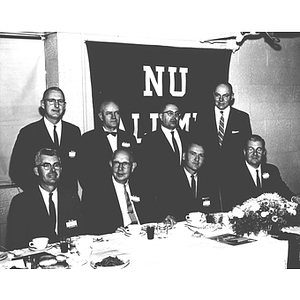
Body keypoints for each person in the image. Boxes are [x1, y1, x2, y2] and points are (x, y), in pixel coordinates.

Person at [9, 87, 81, 194]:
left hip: (68, 200)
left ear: (64, 106)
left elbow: (79, 168)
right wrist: (37, 193)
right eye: (51, 101)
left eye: (60, 101)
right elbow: (16, 170)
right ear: (43, 104)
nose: (56, 106)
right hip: (39, 201)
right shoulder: (28, 133)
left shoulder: (73, 132)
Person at [192, 82, 252, 211]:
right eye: (218, 95)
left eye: (225, 96)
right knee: (210, 213)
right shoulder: (203, 116)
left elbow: (246, 148)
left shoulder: (242, 118)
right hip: (208, 175)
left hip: (234, 176)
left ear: (232, 97)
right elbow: (197, 144)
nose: (221, 100)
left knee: (233, 213)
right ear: (213, 95)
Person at [6, 148, 82, 250]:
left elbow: (79, 234)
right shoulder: (21, 202)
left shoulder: (71, 197)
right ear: (37, 171)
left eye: (56, 165)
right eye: (46, 165)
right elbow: (14, 244)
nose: (52, 170)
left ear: (61, 170)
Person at [81, 148, 155, 235]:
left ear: (133, 167)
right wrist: (112, 231)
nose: (120, 168)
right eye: (116, 163)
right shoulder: (95, 191)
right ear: (110, 164)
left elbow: (153, 212)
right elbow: (89, 224)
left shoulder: (142, 185)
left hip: (142, 235)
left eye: (125, 163)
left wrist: (166, 217)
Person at [78, 99, 137, 192]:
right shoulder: (88, 139)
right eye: (109, 113)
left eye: (116, 113)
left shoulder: (129, 138)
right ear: (101, 116)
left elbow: (134, 169)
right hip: (99, 193)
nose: (114, 117)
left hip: (124, 192)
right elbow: (84, 174)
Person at [228, 134, 296, 211]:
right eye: (251, 149)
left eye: (259, 149)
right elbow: (232, 202)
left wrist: (294, 198)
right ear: (244, 152)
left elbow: (282, 190)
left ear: (264, 152)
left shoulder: (272, 170)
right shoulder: (233, 173)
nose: (255, 153)